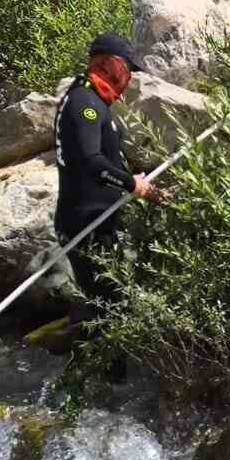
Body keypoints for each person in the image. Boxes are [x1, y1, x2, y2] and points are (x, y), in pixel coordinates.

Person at [54, 32, 166, 323]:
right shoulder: (84, 102)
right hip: (85, 226)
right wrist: (132, 185)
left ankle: (88, 342)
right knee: (108, 314)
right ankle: (87, 350)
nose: (128, 76)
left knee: (111, 306)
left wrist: (128, 179)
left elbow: (99, 164)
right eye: (126, 67)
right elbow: (91, 163)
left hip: (97, 222)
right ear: (106, 63)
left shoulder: (93, 100)